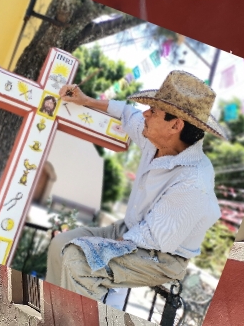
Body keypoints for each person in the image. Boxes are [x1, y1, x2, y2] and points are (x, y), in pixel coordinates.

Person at [45, 70, 224, 301]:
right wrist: (85, 100)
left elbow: (154, 237)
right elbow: (127, 113)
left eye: (154, 111)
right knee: (61, 243)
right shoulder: (155, 137)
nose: (145, 114)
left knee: (80, 261)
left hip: (161, 255)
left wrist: (104, 248)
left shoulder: (194, 181)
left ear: (175, 125)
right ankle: (51, 308)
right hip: (130, 230)